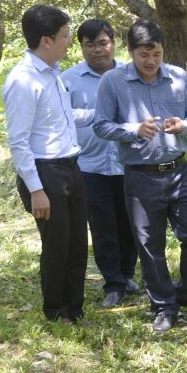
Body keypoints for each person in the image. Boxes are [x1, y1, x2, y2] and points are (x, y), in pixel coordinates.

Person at [93, 19, 187, 333]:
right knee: (150, 244)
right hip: (141, 176)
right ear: (130, 52)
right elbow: (101, 125)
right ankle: (164, 304)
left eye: (157, 54)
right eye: (144, 55)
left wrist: (184, 125)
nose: (151, 61)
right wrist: (133, 129)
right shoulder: (113, 82)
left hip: (179, 170)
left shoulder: (178, 76)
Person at [2, 5, 88, 323]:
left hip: (70, 166)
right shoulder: (23, 81)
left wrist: (101, 115)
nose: (69, 41)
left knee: (78, 243)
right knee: (57, 245)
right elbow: (19, 141)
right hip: (45, 172)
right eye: (65, 36)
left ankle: (74, 307)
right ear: (46, 40)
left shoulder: (53, 74)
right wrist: (36, 190)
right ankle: (55, 310)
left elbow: (63, 118)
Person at [62, 20, 140, 308]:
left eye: (103, 43)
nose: (98, 50)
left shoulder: (131, 75)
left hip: (129, 163)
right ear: (81, 47)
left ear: (113, 44)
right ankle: (113, 284)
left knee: (131, 224)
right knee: (103, 228)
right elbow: (62, 116)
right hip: (90, 166)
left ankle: (127, 274)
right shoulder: (68, 80)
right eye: (90, 44)